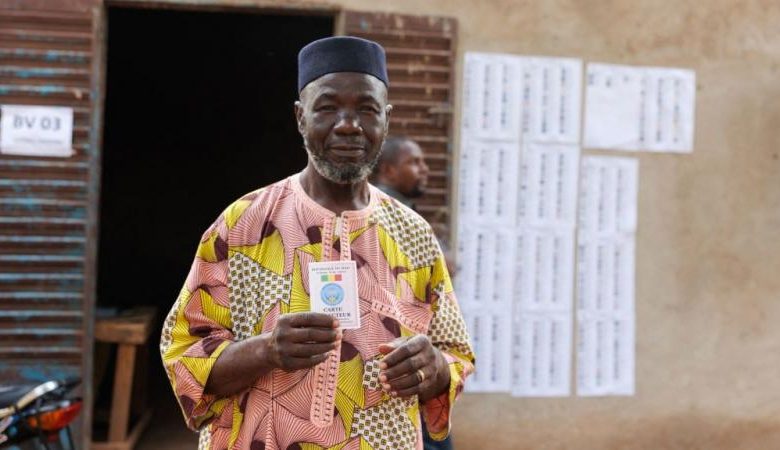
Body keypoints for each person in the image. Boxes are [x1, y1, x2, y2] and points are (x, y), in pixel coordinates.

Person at [160, 36, 474, 450]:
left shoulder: (415, 236)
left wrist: (431, 367)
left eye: (366, 109)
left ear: (387, 119)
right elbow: (182, 352)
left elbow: (455, 355)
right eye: (328, 108)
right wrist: (266, 350)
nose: (348, 124)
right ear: (300, 117)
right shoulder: (242, 225)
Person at [373, 137, 454, 450]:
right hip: (402, 363)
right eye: (414, 162)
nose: (424, 170)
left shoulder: (405, 214)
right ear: (389, 170)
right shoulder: (388, 216)